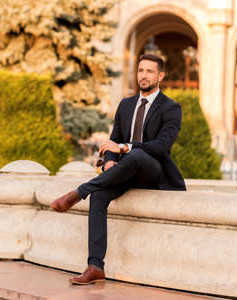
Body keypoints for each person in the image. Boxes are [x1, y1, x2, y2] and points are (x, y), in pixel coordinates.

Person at [51, 54, 186, 285]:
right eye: (141, 70)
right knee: (99, 196)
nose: (144, 75)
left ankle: (78, 191)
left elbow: (161, 146)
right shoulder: (126, 105)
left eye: (150, 71)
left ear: (160, 76)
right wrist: (110, 160)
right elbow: (114, 140)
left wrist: (123, 148)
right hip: (125, 169)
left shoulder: (171, 107)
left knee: (136, 154)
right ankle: (95, 266)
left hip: (153, 171)